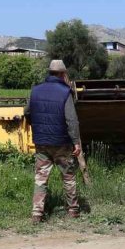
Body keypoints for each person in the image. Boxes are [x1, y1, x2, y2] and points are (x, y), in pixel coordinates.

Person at [24, 59, 82, 223]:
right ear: (63, 74)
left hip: (41, 142)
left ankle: (37, 213)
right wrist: (76, 142)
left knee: (41, 178)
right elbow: (71, 120)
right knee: (68, 176)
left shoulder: (35, 90)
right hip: (62, 142)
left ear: (49, 73)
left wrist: (36, 126)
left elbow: (27, 112)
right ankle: (73, 210)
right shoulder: (65, 92)